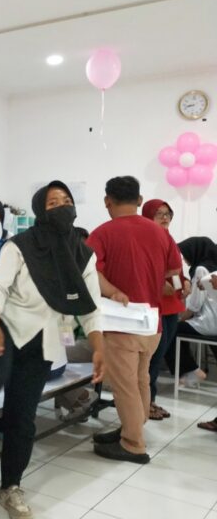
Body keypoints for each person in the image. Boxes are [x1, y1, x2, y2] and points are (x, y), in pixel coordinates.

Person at [0, 181, 104, 519]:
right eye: (53, 202)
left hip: (43, 339)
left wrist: (100, 347)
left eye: (66, 201)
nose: (61, 207)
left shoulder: (82, 253)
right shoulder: (20, 245)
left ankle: (10, 487)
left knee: (21, 417)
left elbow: (91, 306)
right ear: (41, 209)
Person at [87, 176, 181, 464]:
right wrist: (151, 284)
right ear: (140, 201)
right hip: (152, 322)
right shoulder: (161, 233)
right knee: (140, 378)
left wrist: (115, 290)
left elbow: (89, 272)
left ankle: (132, 444)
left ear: (107, 201)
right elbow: (175, 277)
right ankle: (133, 427)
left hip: (121, 322)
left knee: (125, 385)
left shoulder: (102, 233)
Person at [141, 199, 190, 419]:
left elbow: (175, 270)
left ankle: (150, 400)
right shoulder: (146, 240)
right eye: (159, 213)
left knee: (158, 357)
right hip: (155, 305)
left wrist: (185, 280)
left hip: (171, 306)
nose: (164, 217)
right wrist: (159, 285)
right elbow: (142, 271)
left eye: (168, 213)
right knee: (151, 357)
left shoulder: (168, 238)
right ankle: (145, 403)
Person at [163, 237, 217, 388]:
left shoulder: (201, 269)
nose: (184, 259)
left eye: (184, 254)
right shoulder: (214, 266)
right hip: (213, 321)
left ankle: (190, 370)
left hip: (208, 322)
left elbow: (195, 306)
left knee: (171, 330)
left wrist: (180, 319)